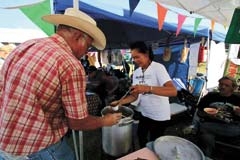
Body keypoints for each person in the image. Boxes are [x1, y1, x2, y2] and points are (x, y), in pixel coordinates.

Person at [0, 8, 122, 160]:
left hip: (4, 140)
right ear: (78, 37)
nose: (86, 52)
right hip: (39, 146)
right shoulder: (70, 64)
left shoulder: (25, 47)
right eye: (88, 46)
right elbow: (77, 122)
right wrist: (105, 121)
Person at [111, 41, 177, 148]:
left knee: (155, 143)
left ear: (146, 54)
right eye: (133, 58)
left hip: (159, 116)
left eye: (138, 57)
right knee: (141, 137)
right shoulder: (136, 72)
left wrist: (148, 88)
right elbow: (134, 96)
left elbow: (172, 91)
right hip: (145, 113)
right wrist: (120, 102)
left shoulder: (158, 68)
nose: (135, 60)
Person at [196, 76, 240, 158]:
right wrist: (207, 114)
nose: (223, 87)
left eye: (227, 85)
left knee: (203, 127)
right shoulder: (210, 96)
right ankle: (209, 154)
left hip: (231, 126)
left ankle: (209, 152)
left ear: (233, 88)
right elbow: (199, 112)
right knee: (206, 135)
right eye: (221, 84)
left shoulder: (237, 99)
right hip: (211, 124)